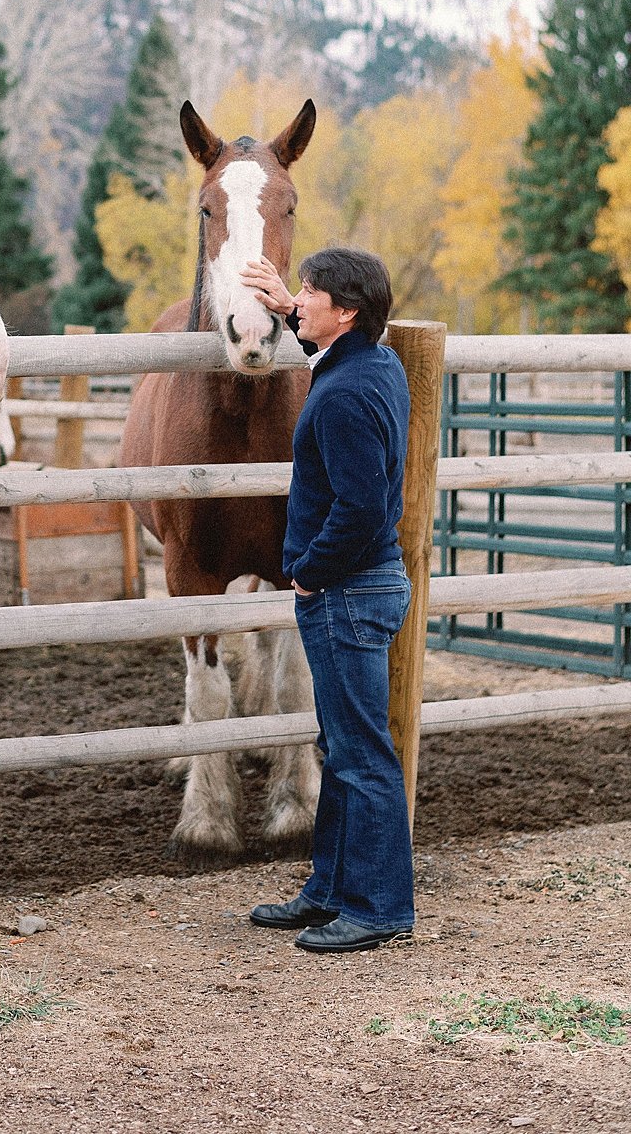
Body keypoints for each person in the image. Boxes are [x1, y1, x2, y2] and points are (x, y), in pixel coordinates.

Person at [240, 245, 414, 953]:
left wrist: (309, 571)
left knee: (362, 753)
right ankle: (330, 893)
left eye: (310, 293)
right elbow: (330, 360)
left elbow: (362, 506)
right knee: (341, 745)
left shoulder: (343, 394)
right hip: (361, 586)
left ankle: (378, 910)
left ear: (346, 312)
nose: (298, 299)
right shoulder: (370, 364)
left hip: (346, 590)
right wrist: (288, 311)